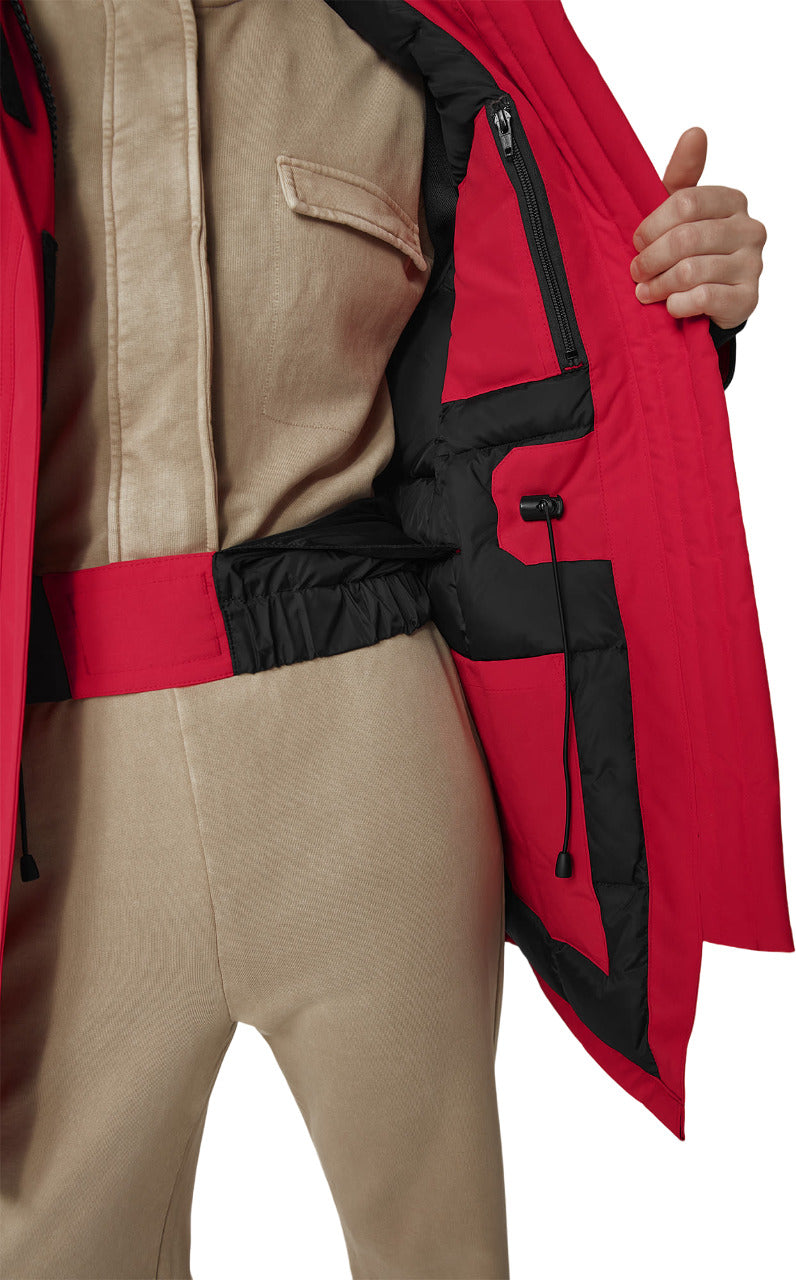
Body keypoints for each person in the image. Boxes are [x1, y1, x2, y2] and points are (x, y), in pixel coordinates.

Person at [0, 2, 779, 1278]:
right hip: (66, 806)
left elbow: (537, 336)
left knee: (439, 1257)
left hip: (370, 762)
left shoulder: (402, 34)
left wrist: (680, 296)